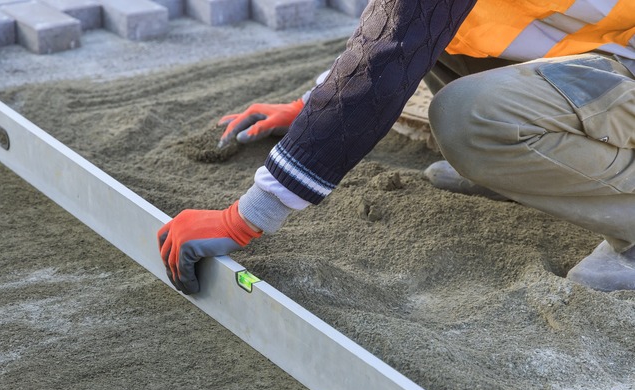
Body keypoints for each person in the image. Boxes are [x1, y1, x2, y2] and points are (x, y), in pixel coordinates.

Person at [157, 0, 635, 294]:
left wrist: (243, 220)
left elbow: (391, 52)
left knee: (469, 119)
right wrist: (309, 106)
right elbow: (395, 28)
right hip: (612, 42)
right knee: (442, 35)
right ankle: (536, 165)